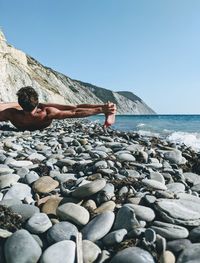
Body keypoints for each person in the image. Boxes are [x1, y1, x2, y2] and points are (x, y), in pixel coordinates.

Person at [0, 86, 116, 131]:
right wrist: (100, 110)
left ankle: (104, 107)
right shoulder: (46, 113)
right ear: (37, 102)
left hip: (23, 113)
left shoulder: (11, 114)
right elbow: (74, 112)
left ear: (20, 104)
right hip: (40, 116)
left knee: (7, 105)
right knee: (73, 106)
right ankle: (106, 107)